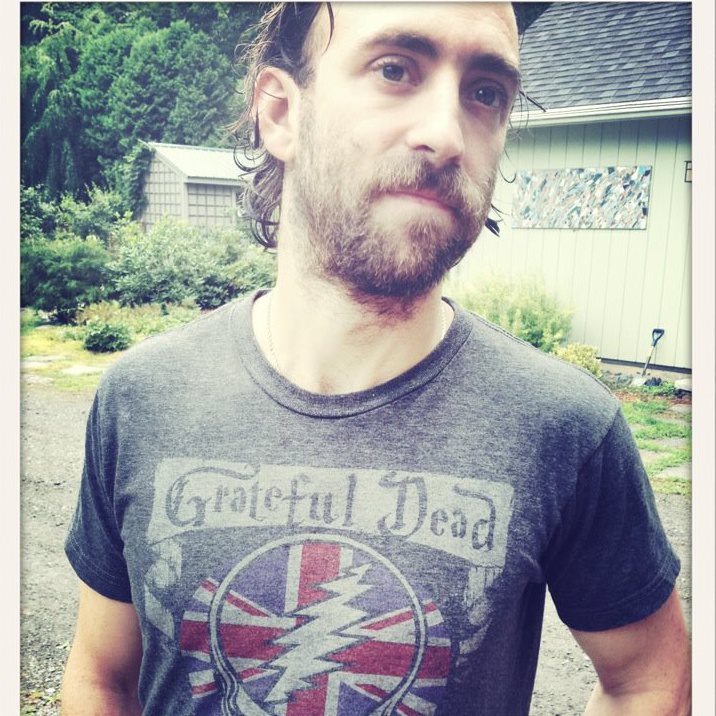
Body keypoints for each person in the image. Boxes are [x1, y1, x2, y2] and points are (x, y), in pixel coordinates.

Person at [60, 3, 691, 714]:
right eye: (395, 70)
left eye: (486, 93)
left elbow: (649, 679)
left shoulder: (566, 427)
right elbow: (100, 675)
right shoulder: (142, 397)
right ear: (280, 113)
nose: (447, 135)